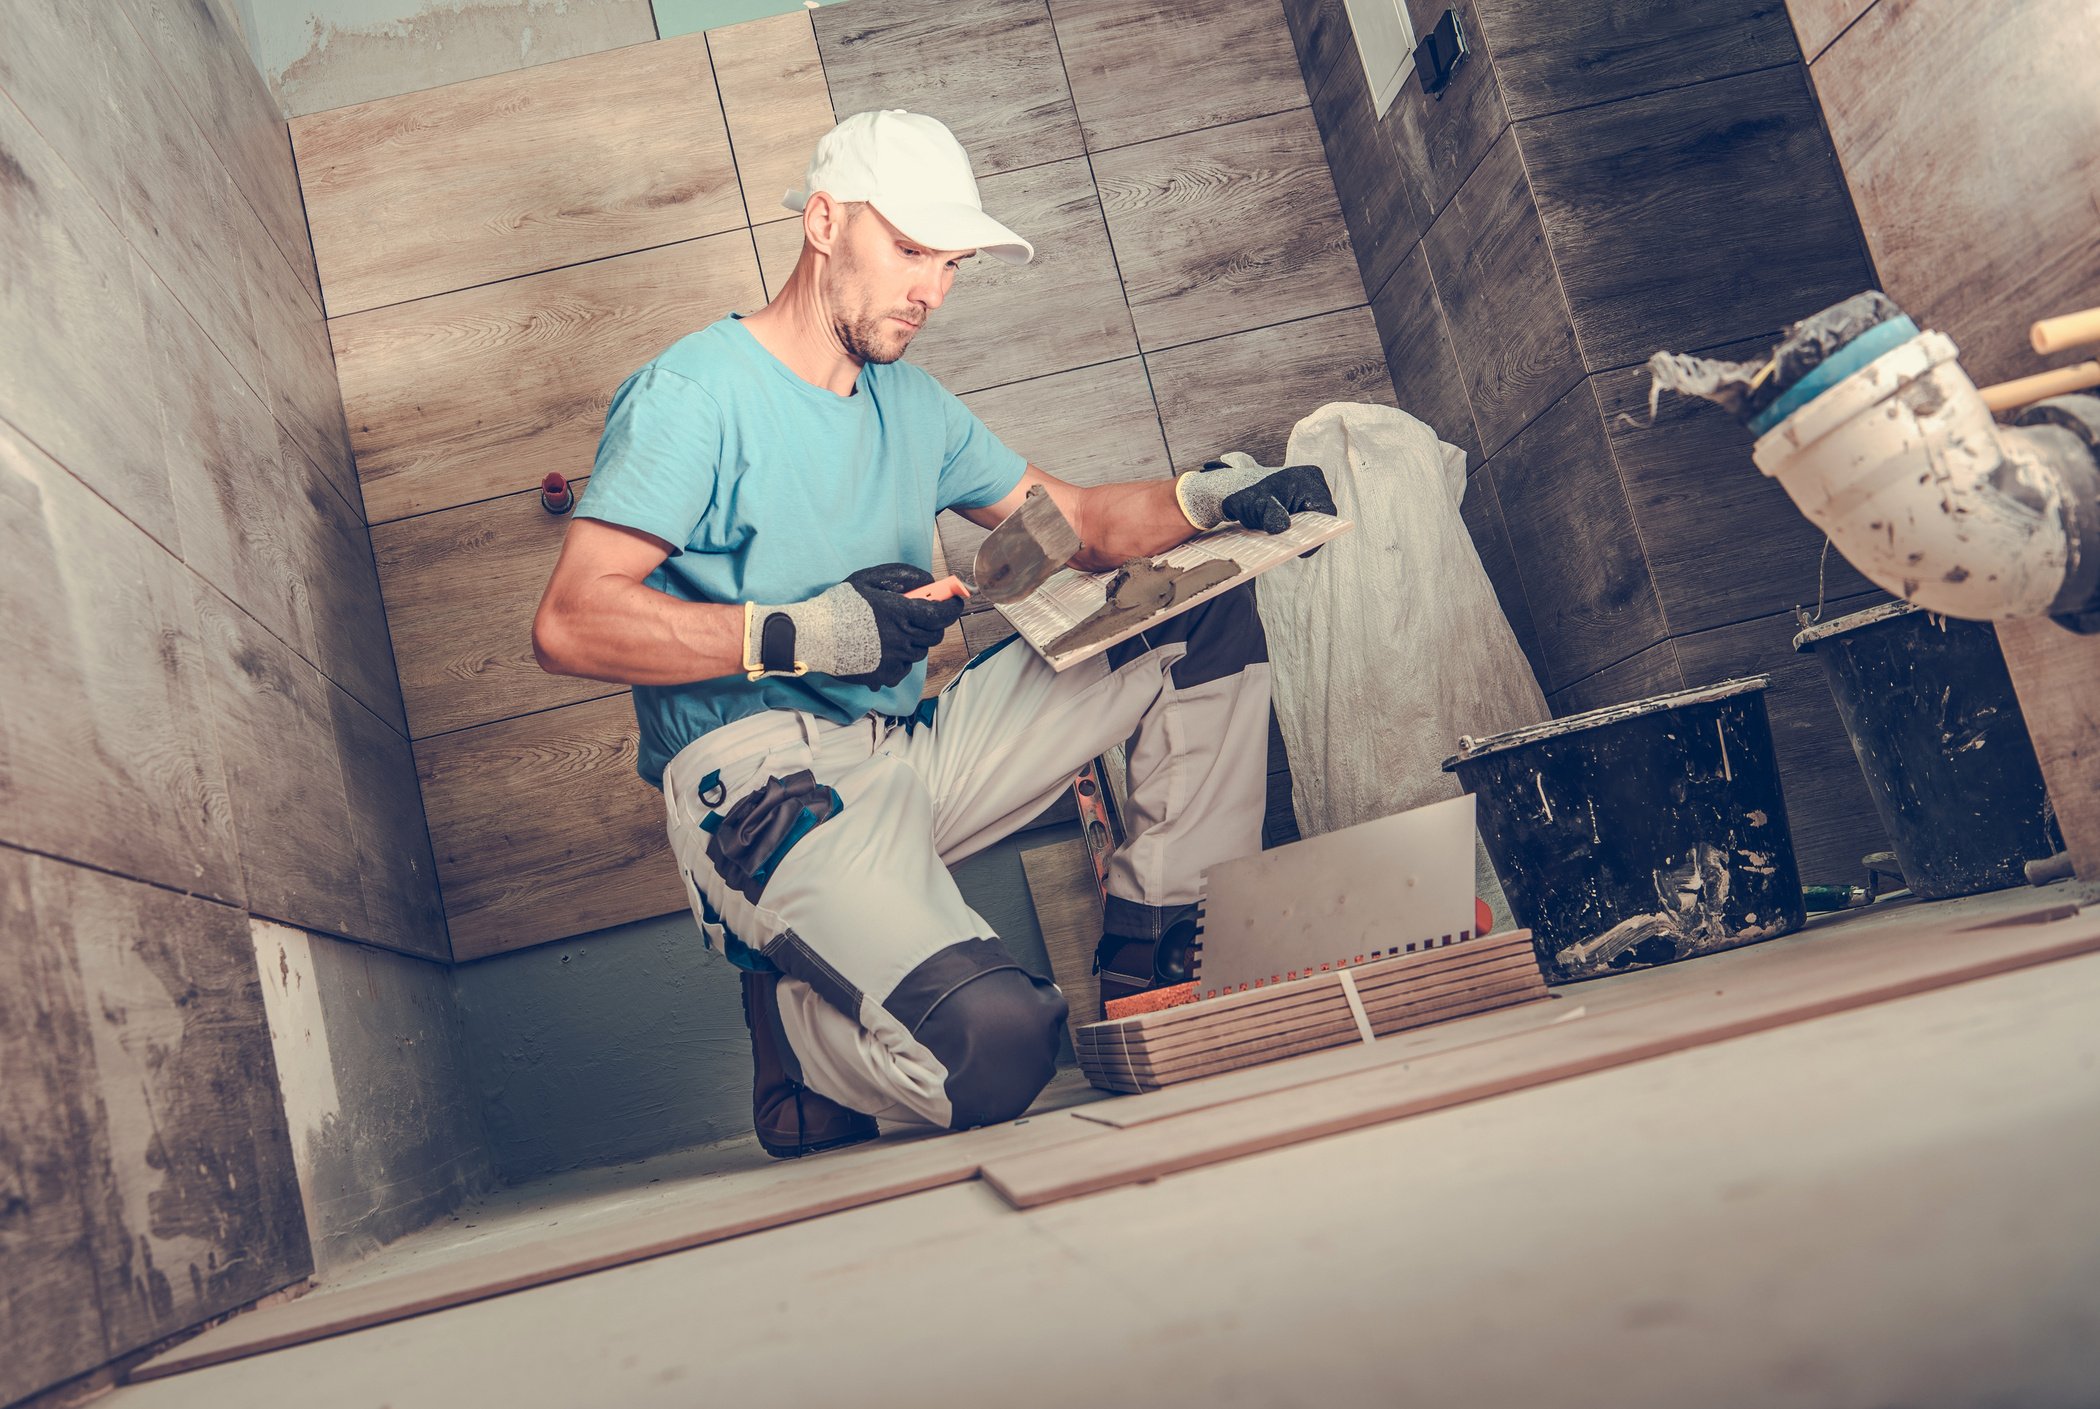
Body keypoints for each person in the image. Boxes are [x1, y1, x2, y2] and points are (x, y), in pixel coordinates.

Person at [532, 110, 1334, 1158]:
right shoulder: (695, 395)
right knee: (997, 1049)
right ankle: (793, 1039)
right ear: (824, 221)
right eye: (909, 250)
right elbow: (570, 620)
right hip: (768, 786)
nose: (933, 289)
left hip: (912, 750)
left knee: (1198, 614)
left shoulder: (913, 403)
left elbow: (1080, 524)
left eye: (950, 262)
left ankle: (1157, 961)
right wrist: (812, 631)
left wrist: (1212, 498)